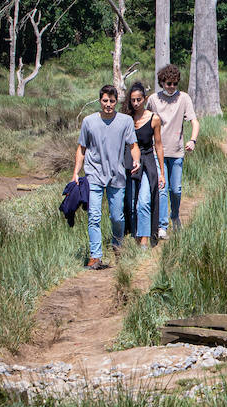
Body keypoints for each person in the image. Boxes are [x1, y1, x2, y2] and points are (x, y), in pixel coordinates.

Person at [73, 84, 140, 269]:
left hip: (117, 176)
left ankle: (118, 246)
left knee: (117, 217)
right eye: (105, 101)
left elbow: (133, 146)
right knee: (94, 216)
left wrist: (136, 161)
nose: (108, 105)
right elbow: (82, 149)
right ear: (99, 101)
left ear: (116, 101)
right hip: (93, 174)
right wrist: (75, 174)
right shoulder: (89, 121)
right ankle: (95, 256)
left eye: (111, 101)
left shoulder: (125, 121)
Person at [149, 64, 199, 239]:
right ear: (162, 82)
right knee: (162, 188)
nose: (171, 87)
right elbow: (144, 121)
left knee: (175, 189)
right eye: (168, 83)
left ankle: (175, 216)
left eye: (175, 83)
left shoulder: (184, 98)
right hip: (158, 152)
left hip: (177, 152)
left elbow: (194, 121)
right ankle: (162, 225)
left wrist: (192, 140)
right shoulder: (153, 100)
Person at [121, 81, 165, 248]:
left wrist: (162, 172)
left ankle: (145, 239)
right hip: (129, 162)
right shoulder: (127, 119)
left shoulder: (154, 119)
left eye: (139, 99)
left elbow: (159, 145)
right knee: (130, 203)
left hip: (147, 162)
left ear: (145, 99)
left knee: (144, 201)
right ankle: (133, 236)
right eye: (133, 100)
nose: (136, 103)